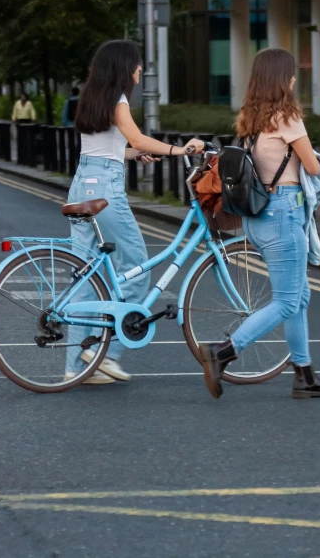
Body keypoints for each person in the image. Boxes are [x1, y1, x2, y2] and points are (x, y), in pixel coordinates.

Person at [200, 47, 320, 401]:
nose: (294, 79)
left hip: (259, 219)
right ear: (284, 78)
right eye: (292, 73)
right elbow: (310, 166)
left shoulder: (251, 119)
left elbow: (274, 168)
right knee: (287, 301)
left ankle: (304, 376)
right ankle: (224, 352)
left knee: (299, 297)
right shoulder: (287, 116)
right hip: (282, 216)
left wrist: (314, 195)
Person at [65, 39, 204, 385]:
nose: (140, 69)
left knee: (86, 277)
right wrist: (179, 149)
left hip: (83, 182)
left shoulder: (92, 96)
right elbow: (138, 137)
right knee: (138, 265)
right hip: (105, 190)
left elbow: (105, 147)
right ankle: (106, 353)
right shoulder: (119, 99)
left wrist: (128, 155)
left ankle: (76, 366)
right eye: (137, 64)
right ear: (124, 67)